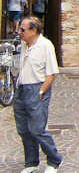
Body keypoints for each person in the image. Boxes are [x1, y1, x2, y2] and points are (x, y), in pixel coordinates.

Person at [14, 16, 63, 173]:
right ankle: (31, 163)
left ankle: (54, 160)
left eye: (22, 29)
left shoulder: (45, 45)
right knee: (23, 129)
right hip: (21, 89)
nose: (19, 32)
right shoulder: (24, 45)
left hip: (37, 89)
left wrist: (41, 91)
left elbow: (52, 73)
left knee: (37, 129)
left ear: (33, 30)